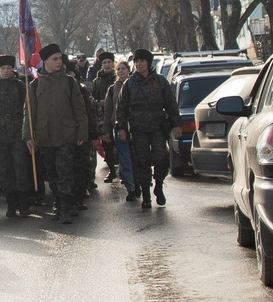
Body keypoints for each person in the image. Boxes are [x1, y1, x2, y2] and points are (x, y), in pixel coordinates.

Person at [29, 44, 94, 223]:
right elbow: (30, 113)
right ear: (45, 62)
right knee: (52, 173)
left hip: (66, 135)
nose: (59, 62)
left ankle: (65, 206)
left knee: (65, 171)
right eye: (55, 59)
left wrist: (82, 133)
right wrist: (28, 136)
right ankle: (58, 202)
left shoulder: (69, 82)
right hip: (45, 136)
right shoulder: (35, 85)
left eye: (60, 58)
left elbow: (80, 110)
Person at [116, 49, 176, 211]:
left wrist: (176, 124)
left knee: (161, 159)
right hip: (138, 128)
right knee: (142, 162)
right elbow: (121, 108)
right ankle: (146, 196)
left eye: (142, 61)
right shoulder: (129, 84)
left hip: (158, 127)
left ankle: (159, 186)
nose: (139, 64)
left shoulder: (160, 81)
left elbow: (171, 103)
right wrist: (121, 127)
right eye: (136, 61)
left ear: (148, 63)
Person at [0, 54, 36, 217]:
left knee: (21, 168)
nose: (6, 71)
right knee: (4, 170)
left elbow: (29, 111)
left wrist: (29, 133)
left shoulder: (20, 86)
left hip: (18, 132)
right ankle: (11, 203)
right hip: (0, 135)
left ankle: (24, 203)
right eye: (3, 68)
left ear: (13, 69)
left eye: (9, 68)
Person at [86, 52, 122, 183]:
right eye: (104, 63)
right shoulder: (97, 81)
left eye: (109, 62)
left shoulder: (117, 78)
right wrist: (99, 102)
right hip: (103, 116)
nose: (107, 65)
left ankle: (123, 170)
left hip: (118, 114)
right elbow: (92, 98)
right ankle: (112, 170)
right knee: (107, 143)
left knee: (121, 144)